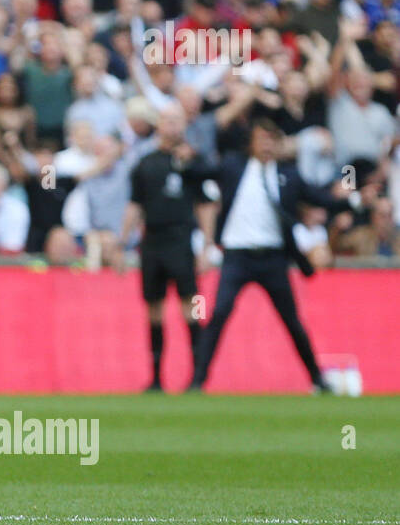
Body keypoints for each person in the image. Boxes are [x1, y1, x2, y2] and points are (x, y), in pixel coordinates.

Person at [189, 118, 363, 394]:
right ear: (252, 143)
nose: (267, 145)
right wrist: (187, 158)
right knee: (220, 313)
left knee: (291, 320)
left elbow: (317, 198)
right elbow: (203, 172)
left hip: (272, 258)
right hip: (237, 256)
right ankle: (198, 380)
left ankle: (317, 379)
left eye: (272, 140)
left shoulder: (288, 175)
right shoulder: (233, 166)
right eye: (262, 139)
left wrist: (350, 201)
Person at [121, 101, 207, 392]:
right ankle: (156, 377)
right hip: (152, 241)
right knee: (153, 308)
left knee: (190, 305)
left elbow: (207, 204)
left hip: (181, 239)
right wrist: (122, 243)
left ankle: (198, 375)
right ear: (159, 125)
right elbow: (135, 205)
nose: (173, 126)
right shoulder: (146, 164)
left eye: (177, 120)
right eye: (168, 120)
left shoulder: (194, 162)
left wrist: (207, 246)